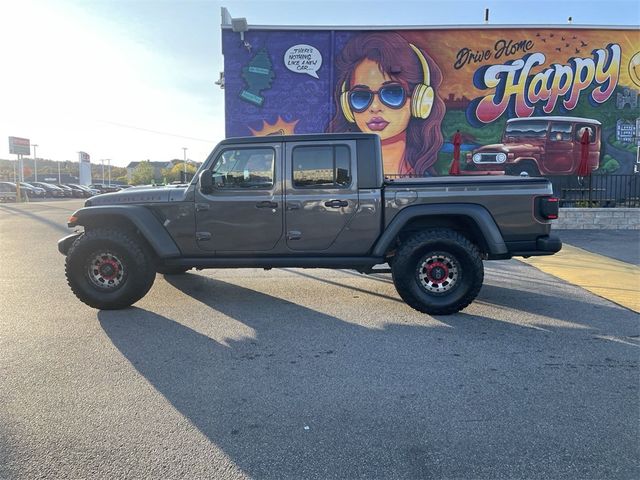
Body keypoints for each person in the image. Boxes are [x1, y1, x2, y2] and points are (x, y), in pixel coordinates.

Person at [328, 32, 445, 175]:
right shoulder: (340, 175)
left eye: (392, 93)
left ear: (418, 100)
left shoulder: (428, 178)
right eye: (361, 96)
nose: (375, 107)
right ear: (347, 105)